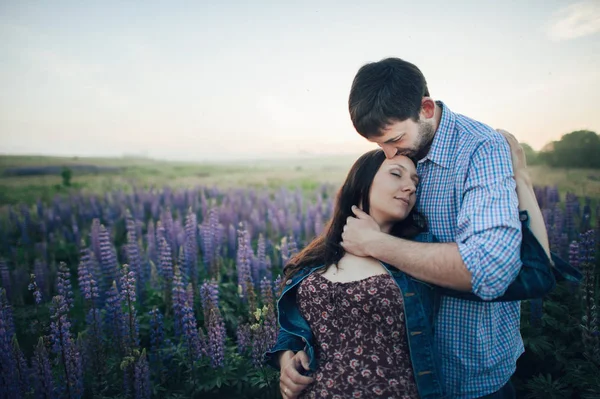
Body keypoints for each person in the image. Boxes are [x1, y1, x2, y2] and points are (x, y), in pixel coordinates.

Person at [264, 140, 552, 398]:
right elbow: (297, 323)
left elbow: (531, 274)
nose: (411, 186)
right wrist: (285, 357)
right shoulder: (320, 255)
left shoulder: (417, 255)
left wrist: (522, 180)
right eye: (396, 174)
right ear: (362, 182)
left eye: (415, 181)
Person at [340, 57, 535, 398]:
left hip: (471, 373)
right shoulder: (401, 150)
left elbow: (489, 270)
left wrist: (376, 243)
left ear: (426, 109)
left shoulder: (480, 149)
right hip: (402, 375)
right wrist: (291, 347)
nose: (388, 154)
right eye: (379, 145)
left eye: (394, 138)